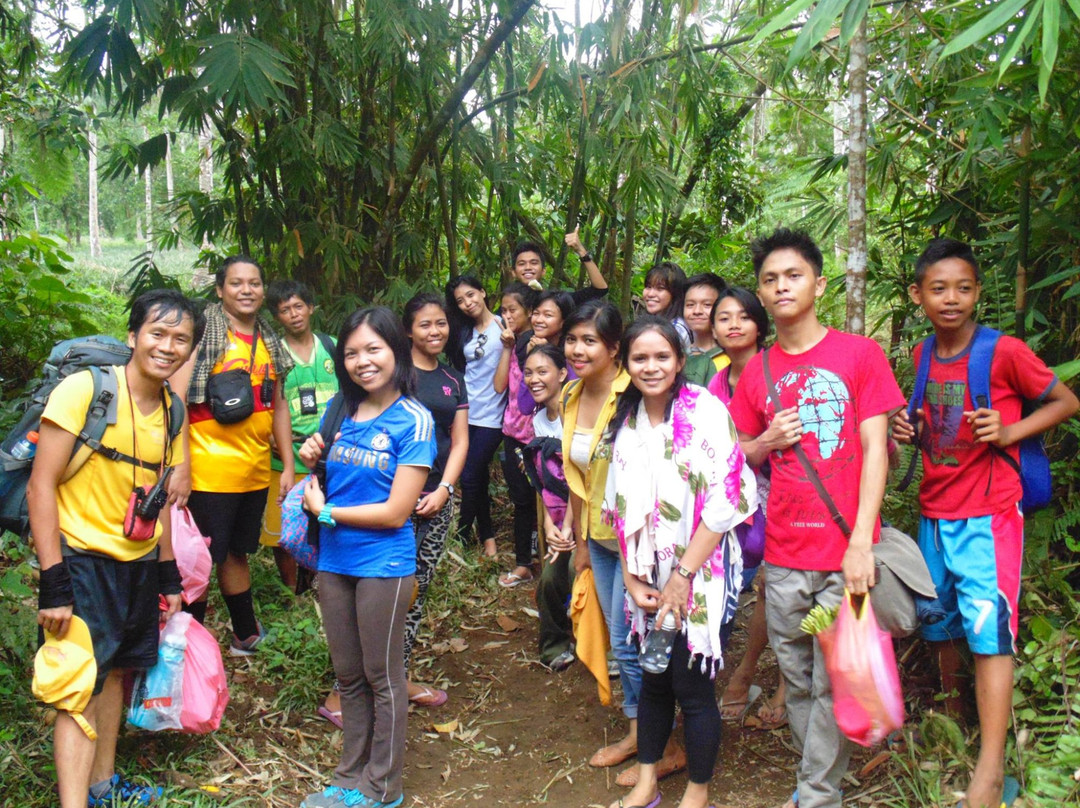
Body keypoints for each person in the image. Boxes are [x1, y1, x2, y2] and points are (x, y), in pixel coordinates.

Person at [891, 238, 1078, 808]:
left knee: (990, 634)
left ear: (977, 291)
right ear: (918, 294)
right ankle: (953, 723)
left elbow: (1065, 401)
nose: (952, 299)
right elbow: (936, 426)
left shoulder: (1003, 351)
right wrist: (912, 431)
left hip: (988, 514)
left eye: (964, 288)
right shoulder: (923, 353)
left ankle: (991, 771)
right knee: (941, 619)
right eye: (939, 288)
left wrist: (1012, 429)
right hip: (934, 508)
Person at [727, 228, 905, 808]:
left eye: (793, 275)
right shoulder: (756, 372)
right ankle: (817, 778)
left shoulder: (860, 355)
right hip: (782, 553)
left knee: (835, 677)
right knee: (797, 677)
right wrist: (765, 441)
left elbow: (876, 448)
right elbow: (739, 454)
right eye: (770, 279)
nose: (781, 286)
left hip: (844, 553)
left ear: (819, 284)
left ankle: (816, 792)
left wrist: (860, 544)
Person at [28, 290, 204, 808]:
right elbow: (42, 486)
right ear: (133, 336)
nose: (168, 347)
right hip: (81, 560)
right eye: (157, 333)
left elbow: (161, 498)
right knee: (78, 686)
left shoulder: (172, 410)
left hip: (137, 563)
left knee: (117, 674)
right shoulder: (86, 391)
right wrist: (54, 580)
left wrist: (169, 577)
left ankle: (103, 784)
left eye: (181, 339)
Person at [604, 315, 757, 808]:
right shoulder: (625, 420)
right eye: (640, 358)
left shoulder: (706, 411)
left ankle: (698, 791)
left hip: (702, 568)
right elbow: (619, 504)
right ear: (625, 362)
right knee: (652, 680)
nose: (651, 367)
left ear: (679, 360)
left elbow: (725, 500)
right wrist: (630, 576)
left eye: (662, 357)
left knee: (691, 686)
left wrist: (683, 577)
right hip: (648, 570)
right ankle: (648, 780)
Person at [298, 306, 436, 808]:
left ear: (396, 352)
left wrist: (328, 511)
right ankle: (349, 777)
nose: (362, 361)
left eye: (373, 349)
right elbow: (325, 471)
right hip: (334, 563)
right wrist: (314, 455)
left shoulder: (414, 419)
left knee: (383, 678)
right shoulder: (340, 408)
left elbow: (398, 511)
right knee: (349, 677)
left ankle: (383, 788)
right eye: (351, 353)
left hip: (383, 565)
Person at [561, 300, 686, 787]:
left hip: (639, 542)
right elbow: (579, 476)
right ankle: (641, 733)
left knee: (635, 643)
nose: (577, 349)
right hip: (598, 534)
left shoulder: (633, 394)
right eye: (572, 339)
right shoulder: (572, 394)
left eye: (590, 340)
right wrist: (579, 540)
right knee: (623, 642)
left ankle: (665, 744)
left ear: (616, 350)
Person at [172, 256, 295, 654]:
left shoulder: (268, 339)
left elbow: (277, 405)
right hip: (208, 471)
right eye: (237, 283)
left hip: (255, 470)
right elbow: (175, 402)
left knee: (236, 552)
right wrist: (181, 469)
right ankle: (190, 648)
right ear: (220, 289)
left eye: (254, 283)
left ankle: (245, 633)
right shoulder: (204, 332)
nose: (247, 290)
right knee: (200, 560)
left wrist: (288, 464)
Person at [708, 287, 787, 729]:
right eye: (724, 317)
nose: (733, 324)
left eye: (743, 316)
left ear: (760, 324)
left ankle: (756, 676)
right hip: (736, 494)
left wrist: (750, 447)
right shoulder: (716, 382)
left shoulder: (777, 371)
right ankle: (738, 668)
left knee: (772, 587)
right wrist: (753, 446)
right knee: (744, 580)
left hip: (785, 492)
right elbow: (718, 447)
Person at [402, 293, 469, 707]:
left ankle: (399, 675)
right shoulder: (393, 373)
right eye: (425, 324)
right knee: (388, 589)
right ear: (408, 329)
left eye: (441, 323)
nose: (434, 331)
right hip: (391, 502)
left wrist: (445, 489)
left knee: (418, 589)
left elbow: (459, 441)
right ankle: (361, 682)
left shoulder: (452, 378)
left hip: (437, 499)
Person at [262, 280, 339, 592]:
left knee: (327, 519)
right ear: (277, 317)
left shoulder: (333, 346)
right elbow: (264, 401)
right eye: (284, 310)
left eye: (298, 306)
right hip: (286, 455)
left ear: (311, 308)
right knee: (283, 527)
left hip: (330, 454)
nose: (293, 314)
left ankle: (323, 582)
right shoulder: (271, 355)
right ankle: (293, 590)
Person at [520, 344, 575, 669]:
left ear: (562, 374)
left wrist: (568, 526)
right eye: (528, 372)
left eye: (542, 371)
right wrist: (549, 527)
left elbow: (582, 480)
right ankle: (554, 648)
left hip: (587, 516)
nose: (534, 379)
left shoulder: (577, 414)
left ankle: (606, 650)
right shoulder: (540, 420)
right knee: (550, 580)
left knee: (576, 572)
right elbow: (544, 481)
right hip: (558, 520)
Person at [446, 276, 506, 558]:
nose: (467, 303)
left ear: (483, 292)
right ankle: (488, 538)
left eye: (471, 295)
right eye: (460, 300)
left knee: (469, 475)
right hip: (466, 412)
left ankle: (460, 532)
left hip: (493, 416)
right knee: (477, 477)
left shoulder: (504, 324)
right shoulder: (462, 332)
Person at [493, 283, 541, 588]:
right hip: (512, 433)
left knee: (543, 501)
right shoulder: (513, 343)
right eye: (504, 309)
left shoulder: (536, 344)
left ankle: (538, 562)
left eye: (513, 310)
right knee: (522, 501)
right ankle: (525, 562)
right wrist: (508, 347)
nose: (506, 315)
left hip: (538, 437)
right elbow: (500, 386)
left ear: (529, 313)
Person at [511, 228, 608, 305]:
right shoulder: (508, 304)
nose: (528, 267)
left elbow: (600, 289)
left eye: (534, 262)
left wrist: (581, 250)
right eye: (522, 264)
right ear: (513, 272)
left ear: (543, 271)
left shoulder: (558, 301)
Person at [681, 272, 729, 386]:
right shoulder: (677, 358)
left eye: (707, 305)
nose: (697, 311)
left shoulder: (730, 357)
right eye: (690, 305)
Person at [640, 261, 691, 349]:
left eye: (660, 288)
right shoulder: (654, 322)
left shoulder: (676, 329)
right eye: (648, 287)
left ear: (675, 293)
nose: (651, 294)